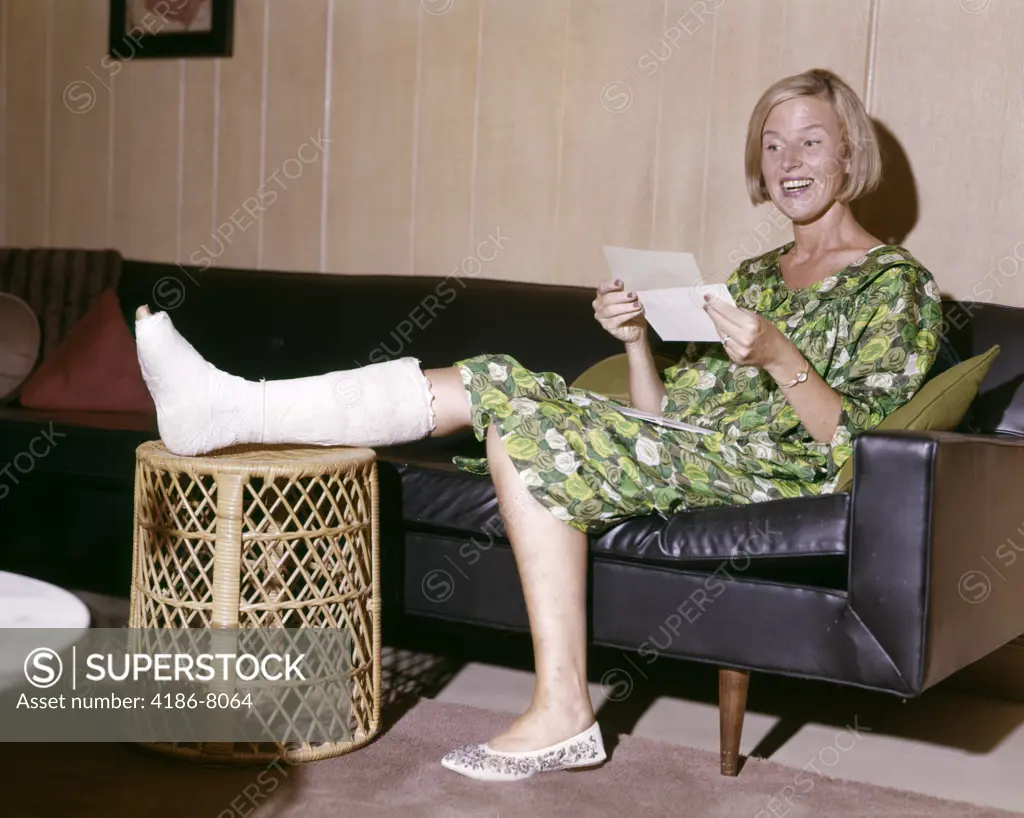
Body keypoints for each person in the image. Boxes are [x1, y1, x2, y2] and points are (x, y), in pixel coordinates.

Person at [133, 67, 942, 782]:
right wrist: (634, 342)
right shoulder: (755, 275)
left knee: (506, 400)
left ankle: (233, 408)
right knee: (501, 389)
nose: (790, 162)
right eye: (773, 146)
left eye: (810, 142)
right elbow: (662, 417)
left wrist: (777, 355)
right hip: (696, 448)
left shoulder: (898, 285)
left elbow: (858, 439)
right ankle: (234, 408)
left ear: (850, 157)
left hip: (773, 469)